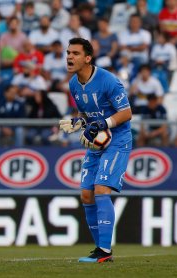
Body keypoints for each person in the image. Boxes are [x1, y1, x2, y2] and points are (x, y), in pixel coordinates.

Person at [59, 38, 132, 263]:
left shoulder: (108, 81)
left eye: (75, 53)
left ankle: (104, 251)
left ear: (88, 58)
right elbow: (87, 115)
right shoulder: (73, 84)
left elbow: (126, 113)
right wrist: (78, 123)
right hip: (96, 142)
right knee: (86, 194)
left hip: (117, 140)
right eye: (68, 52)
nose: (69, 57)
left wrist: (103, 124)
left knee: (101, 189)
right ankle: (99, 250)